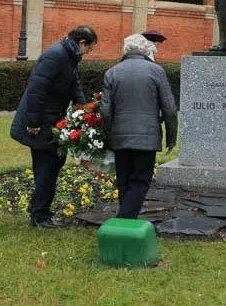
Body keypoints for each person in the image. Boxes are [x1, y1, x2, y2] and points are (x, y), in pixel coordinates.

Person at [10, 25, 98, 228]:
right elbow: (36, 90)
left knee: (53, 164)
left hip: (50, 119)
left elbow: (74, 84)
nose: (89, 53)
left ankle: (40, 210)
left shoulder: (69, 56)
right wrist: (33, 123)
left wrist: (84, 108)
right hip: (41, 122)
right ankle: (39, 215)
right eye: (90, 48)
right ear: (82, 43)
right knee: (46, 167)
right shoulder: (56, 56)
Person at [100, 34, 178, 219]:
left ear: (125, 50)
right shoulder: (156, 71)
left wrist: (109, 133)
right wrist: (171, 137)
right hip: (147, 136)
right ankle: (125, 219)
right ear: (146, 50)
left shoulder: (112, 72)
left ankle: (126, 217)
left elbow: (105, 110)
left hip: (120, 136)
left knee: (124, 180)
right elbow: (170, 109)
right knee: (140, 180)